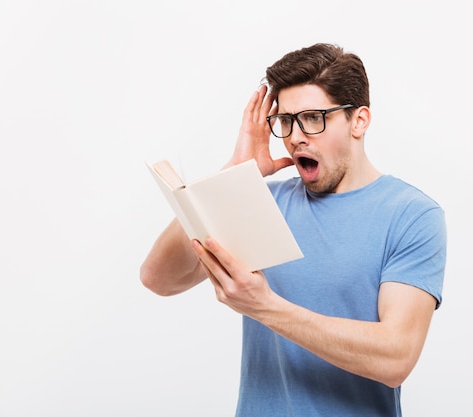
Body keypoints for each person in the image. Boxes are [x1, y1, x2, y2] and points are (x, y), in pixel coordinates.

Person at [140, 43, 446, 417]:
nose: (296, 136)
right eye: (286, 121)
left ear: (359, 121)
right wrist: (236, 170)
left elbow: (396, 358)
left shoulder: (412, 215)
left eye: (313, 118)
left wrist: (265, 307)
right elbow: (159, 278)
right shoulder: (261, 201)